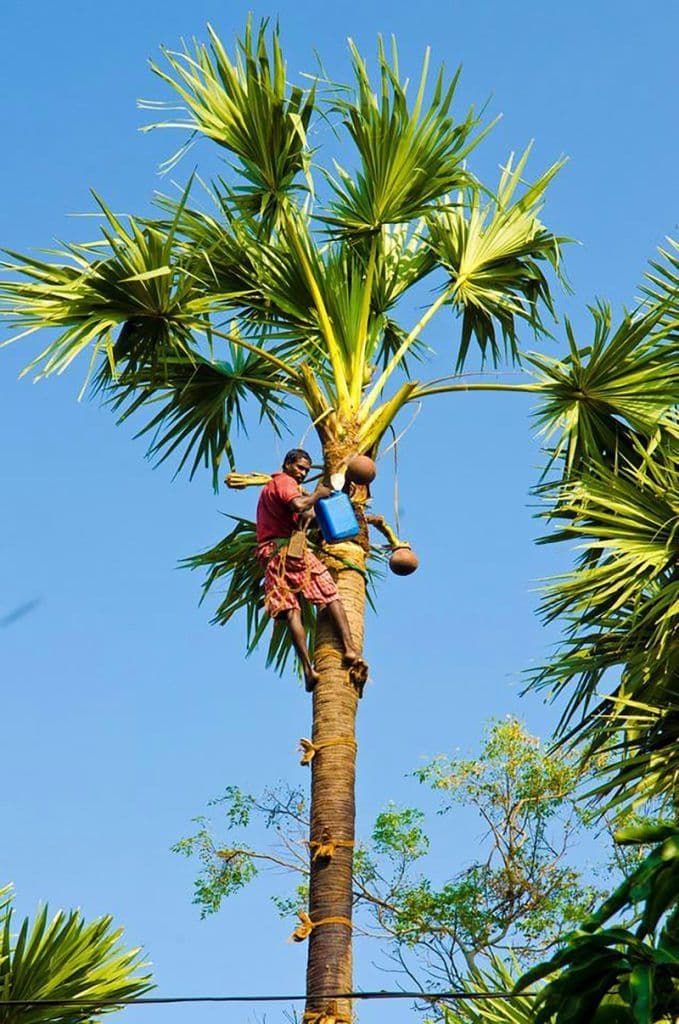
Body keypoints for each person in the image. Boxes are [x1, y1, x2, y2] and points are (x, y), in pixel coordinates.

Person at [256, 449, 367, 692]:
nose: (303, 473)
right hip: (287, 552)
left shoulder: (272, 489)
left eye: (307, 470)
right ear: (287, 464)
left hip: (271, 555)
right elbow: (298, 503)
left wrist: (329, 505)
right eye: (300, 468)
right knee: (330, 593)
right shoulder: (284, 482)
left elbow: (304, 514)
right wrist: (318, 493)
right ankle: (349, 648)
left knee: (290, 611)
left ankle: (309, 670)